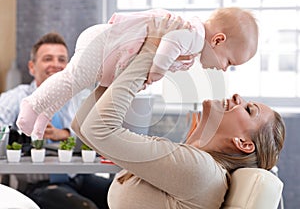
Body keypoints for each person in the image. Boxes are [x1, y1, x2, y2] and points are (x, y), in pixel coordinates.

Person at [70, 16, 285, 208]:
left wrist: (150, 50)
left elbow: (97, 130)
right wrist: (118, 73)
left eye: (249, 109)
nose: (238, 97)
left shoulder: (201, 171)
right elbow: (83, 127)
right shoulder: (192, 163)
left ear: (243, 143)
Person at [16, 7, 259, 140]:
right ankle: (32, 105)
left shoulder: (194, 48)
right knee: (73, 79)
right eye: (229, 61)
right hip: (105, 45)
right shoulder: (194, 38)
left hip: (111, 53)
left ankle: (43, 116)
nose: (225, 68)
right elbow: (170, 43)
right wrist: (157, 72)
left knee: (74, 87)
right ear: (218, 40)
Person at [0, 32, 112, 209]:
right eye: (47, 59)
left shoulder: (81, 99)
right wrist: (25, 136)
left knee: (123, 196)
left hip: (79, 176)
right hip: (39, 184)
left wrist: (66, 134)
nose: (55, 65)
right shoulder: (15, 99)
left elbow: (100, 135)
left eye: (62, 60)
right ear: (31, 67)